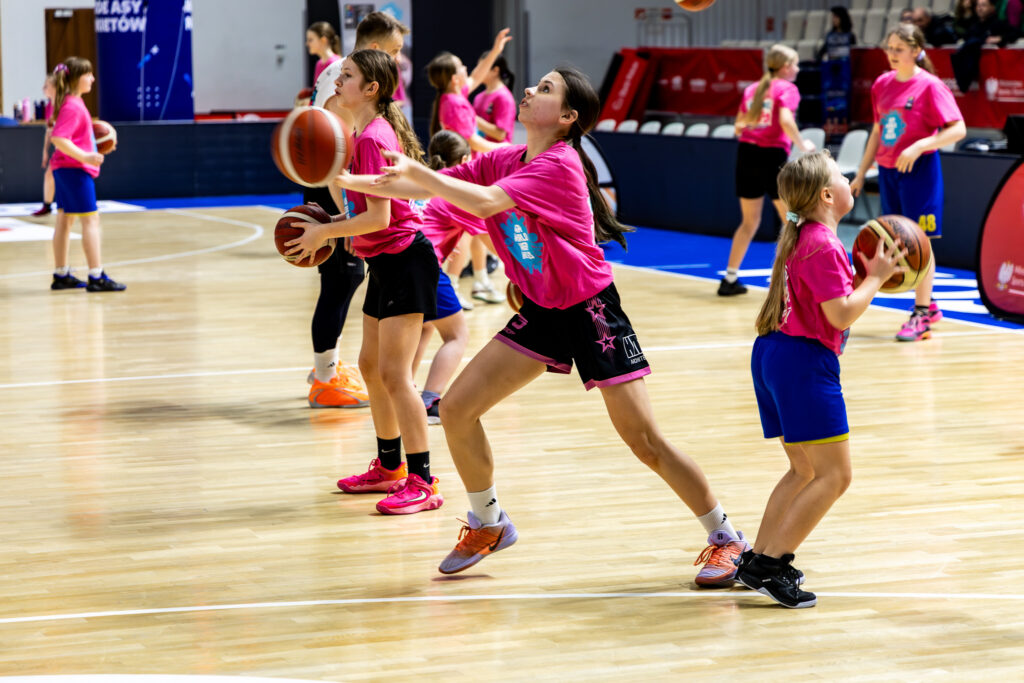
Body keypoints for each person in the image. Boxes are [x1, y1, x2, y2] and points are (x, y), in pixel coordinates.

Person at [333, 66, 751, 586]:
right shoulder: (508, 158)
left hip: (591, 310)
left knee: (644, 440)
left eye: (546, 89)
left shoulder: (559, 164)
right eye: (536, 85)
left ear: (568, 117)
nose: (530, 90)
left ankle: (727, 538)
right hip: (543, 310)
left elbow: (483, 201)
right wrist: (348, 179)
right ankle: (488, 522)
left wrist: (416, 174)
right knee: (458, 409)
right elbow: (431, 189)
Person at [738, 151, 904, 608]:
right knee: (835, 475)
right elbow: (841, 313)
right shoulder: (823, 244)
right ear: (828, 195)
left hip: (774, 352)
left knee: (804, 470)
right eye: (843, 177)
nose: (851, 180)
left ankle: (756, 560)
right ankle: (771, 566)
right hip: (803, 363)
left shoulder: (803, 237)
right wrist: (876, 278)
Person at [286, 49, 442, 515]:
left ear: (371, 88)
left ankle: (423, 480)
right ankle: (390, 466)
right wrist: (329, 220)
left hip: (406, 261)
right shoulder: (360, 135)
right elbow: (362, 210)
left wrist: (325, 234)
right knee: (371, 367)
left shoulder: (373, 137)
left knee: (395, 374)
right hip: (386, 263)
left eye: (347, 75)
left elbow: (379, 217)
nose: (337, 81)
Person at [304, 13, 410, 409]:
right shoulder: (345, 83)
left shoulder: (335, 72)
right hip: (338, 192)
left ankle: (326, 368)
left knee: (343, 282)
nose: (398, 60)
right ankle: (324, 378)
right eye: (395, 51)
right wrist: (347, 220)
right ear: (377, 49)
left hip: (339, 188)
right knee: (341, 282)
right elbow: (336, 156)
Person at [850, 25, 966, 342]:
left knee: (920, 240)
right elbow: (877, 131)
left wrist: (920, 146)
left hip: (920, 170)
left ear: (916, 51)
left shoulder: (930, 86)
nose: (891, 54)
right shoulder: (881, 84)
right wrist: (861, 172)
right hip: (888, 171)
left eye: (899, 48)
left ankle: (922, 314)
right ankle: (929, 303)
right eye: (889, 47)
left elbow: (958, 130)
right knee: (899, 241)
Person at [719, 45, 815, 297]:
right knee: (792, 221)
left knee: (749, 221)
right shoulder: (787, 89)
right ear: (785, 67)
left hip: (746, 156)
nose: (797, 69)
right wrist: (802, 144)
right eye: (795, 64)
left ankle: (729, 279)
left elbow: (738, 126)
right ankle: (788, 282)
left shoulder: (752, 89)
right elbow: (785, 120)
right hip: (772, 157)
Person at [426, 29, 513, 307]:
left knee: (470, 229)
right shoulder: (453, 103)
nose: (468, 69)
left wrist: (496, 49)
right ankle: (452, 284)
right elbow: (473, 140)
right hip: (463, 173)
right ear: (454, 78)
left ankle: (479, 280)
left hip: (468, 171)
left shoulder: (455, 95)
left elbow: (476, 74)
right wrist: (508, 149)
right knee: (465, 231)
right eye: (461, 66)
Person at [411, 130, 481, 424]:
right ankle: (430, 401)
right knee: (457, 335)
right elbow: (490, 236)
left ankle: (403, 390)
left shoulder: (420, 182)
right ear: (465, 161)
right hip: (425, 266)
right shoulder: (456, 191)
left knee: (424, 326)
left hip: (400, 260)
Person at [48, 58, 125, 292]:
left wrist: (95, 144)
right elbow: (58, 138)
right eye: (88, 74)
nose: (92, 78)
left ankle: (61, 274)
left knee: (64, 220)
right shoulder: (73, 106)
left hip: (64, 169)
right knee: (91, 220)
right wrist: (86, 156)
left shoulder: (71, 102)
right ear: (75, 78)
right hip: (74, 170)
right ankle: (96, 276)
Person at [472, 54, 517, 143]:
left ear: (495, 70)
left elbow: (500, 135)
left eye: (483, 67)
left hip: (498, 151)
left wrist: (472, 117)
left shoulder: (504, 97)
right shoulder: (478, 97)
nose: (477, 71)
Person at [31, 75, 58, 217]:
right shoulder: (49, 106)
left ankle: (49, 205)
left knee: (53, 175)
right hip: (60, 148)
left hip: (70, 148)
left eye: (46, 86)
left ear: (55, 87)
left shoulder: (63, 105)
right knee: (49, 175)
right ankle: (47, 205)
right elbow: (49, 130)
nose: (43, 88)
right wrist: (45, 151)